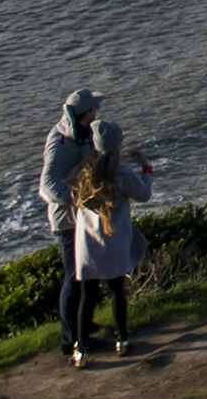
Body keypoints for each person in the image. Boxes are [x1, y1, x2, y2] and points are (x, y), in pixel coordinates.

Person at [59, 112, 155, 363]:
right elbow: (144, 194)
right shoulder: (121, 175)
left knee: (87, 297)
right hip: (115, 243)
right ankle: (122, 341)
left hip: (87, 246)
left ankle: (79, 351)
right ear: (117, 146)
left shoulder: (83, 174)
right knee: (117, 292)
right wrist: (146, 167)